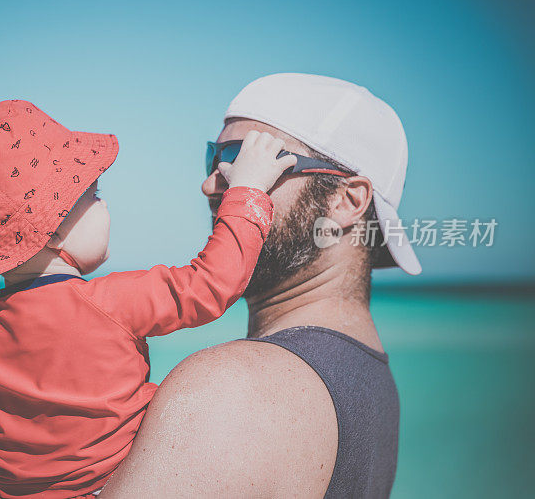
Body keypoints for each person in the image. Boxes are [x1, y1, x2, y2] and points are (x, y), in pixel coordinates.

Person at [0, 99, 299, 498]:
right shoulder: (115, 302)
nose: (105, 205)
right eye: (94, 194)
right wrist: (247, 191)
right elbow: (213, 284)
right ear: (51, 226)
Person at [98, 73, 422, 498]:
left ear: (347, 201)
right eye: (214, 159)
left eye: (246, 158)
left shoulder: (234, 389)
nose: (212, 184)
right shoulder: (369, 377)